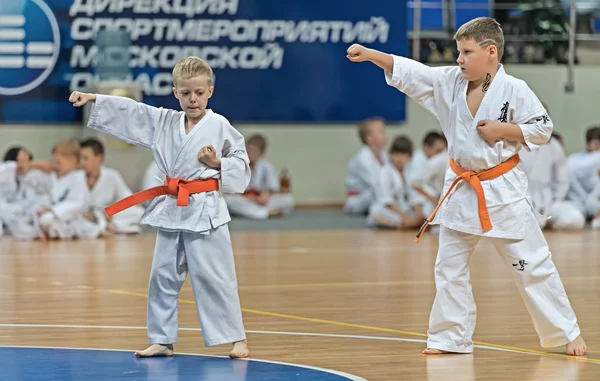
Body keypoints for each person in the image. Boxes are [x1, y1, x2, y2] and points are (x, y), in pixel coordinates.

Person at [346, 16, 586, 356]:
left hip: (501, 189)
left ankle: (565, 333)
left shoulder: (515, 89)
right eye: (458, 52)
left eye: (466, 52)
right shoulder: (449, 82)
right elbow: (416, 72)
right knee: (449, 266)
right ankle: (450, 338)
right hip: (461, 188)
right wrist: (373, 55)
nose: (458, 59)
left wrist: (504, 131)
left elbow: (542, 128)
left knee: (530, 264)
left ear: (491, 52)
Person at [69, 56, 250, 359]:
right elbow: (133, 111)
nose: (193, 99)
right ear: (175, 92)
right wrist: (94, 98)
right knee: (162, 277)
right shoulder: (164, 120)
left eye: (199, 93)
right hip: (172, 208)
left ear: (210, 92)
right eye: (185, 93)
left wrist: (217, 163)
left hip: (205, 210)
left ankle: (237, 339)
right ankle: (162, 339)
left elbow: (241, 162)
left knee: (216, 276)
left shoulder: (219, 125)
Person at [79, 138, 144, 235]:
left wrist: (109, 214)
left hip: (109, 217)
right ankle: (112, 228)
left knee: (140, 213)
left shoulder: (111, 176)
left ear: (99, 158)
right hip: (84, 220)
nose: (82, 163)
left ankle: (110, 226)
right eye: (79, 158)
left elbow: (129, 201)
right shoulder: (76, 178)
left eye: (85, 158)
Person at [224, 134, 294, 219]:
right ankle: (266, 213)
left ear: (261, 154)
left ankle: (254, 212)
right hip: (245, 200)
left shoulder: (267, 167)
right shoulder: (238, 165)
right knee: (229, 201)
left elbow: (272, 189)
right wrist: (245, 196)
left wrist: (264, 196)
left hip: (262, 201)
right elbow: (231, 190)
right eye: (248, 151)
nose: (250, 154)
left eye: (254, 151)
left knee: (288, 200)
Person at [367, 135, 425, 229]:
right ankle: (408, 223)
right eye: (396, 153)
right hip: (391, 211)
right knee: (375, 211)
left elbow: (415, 196)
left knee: (428, 208)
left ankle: (412, 223)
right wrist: (405, 217)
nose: (399, 158)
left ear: (409, 156)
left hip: (407, 209)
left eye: (403, 154)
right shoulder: (385, 171)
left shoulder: (409, 171)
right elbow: (387, 202)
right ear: (391, 154)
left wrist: (419, 214)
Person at [344, 117, 389, 214]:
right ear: (369, 138)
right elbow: (377, 183)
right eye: (381, 132)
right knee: (379, 190)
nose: (385, 135)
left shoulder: (383, 154)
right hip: (359, 201)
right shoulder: (362, 159)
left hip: (373, 196)